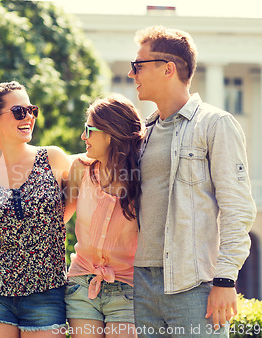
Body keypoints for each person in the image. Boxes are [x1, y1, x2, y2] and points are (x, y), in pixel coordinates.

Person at [127, 25, 257, 336]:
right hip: (145, 285)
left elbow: (237, 208)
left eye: (138, 66)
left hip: (194, 286)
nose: (133, 75)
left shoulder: (215, 124)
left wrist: (225, 279)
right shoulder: (144, 133)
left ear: (167, 69)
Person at [0, 81, 71, 337]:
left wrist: (39, 227)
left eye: (31, 110)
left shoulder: (54, 159)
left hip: (47, 289)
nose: (29, 117)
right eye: (19, 111)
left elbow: (73, 205)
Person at [64, 94, 143, 338]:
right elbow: (57, 220)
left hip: (127, 290)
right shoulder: (80, 168)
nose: (83, 137)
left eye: (88, 129)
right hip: (82, 284)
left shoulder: (143, 177)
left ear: (110, 133)